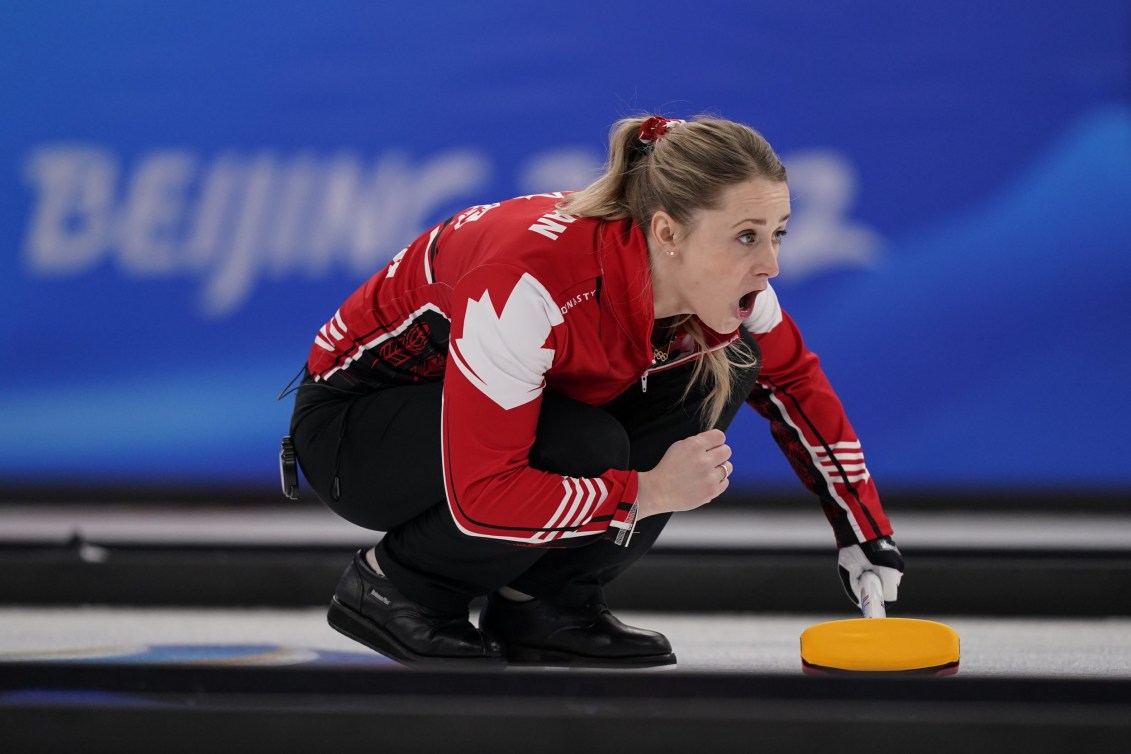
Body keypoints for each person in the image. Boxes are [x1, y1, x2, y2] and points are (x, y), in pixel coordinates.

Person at [286, 114, 905, 668]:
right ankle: (399, 586)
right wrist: (648, 492)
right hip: (353, 433)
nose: (771, 264)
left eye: (780, 234)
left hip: (484, 419)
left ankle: (544, 606)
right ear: (668, 231)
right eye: (748, 236)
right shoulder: (528, 287)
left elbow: (795, 381)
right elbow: (481, 496)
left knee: (733, 358)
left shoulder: (722, 285)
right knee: (582, 443)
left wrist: (864, 530)